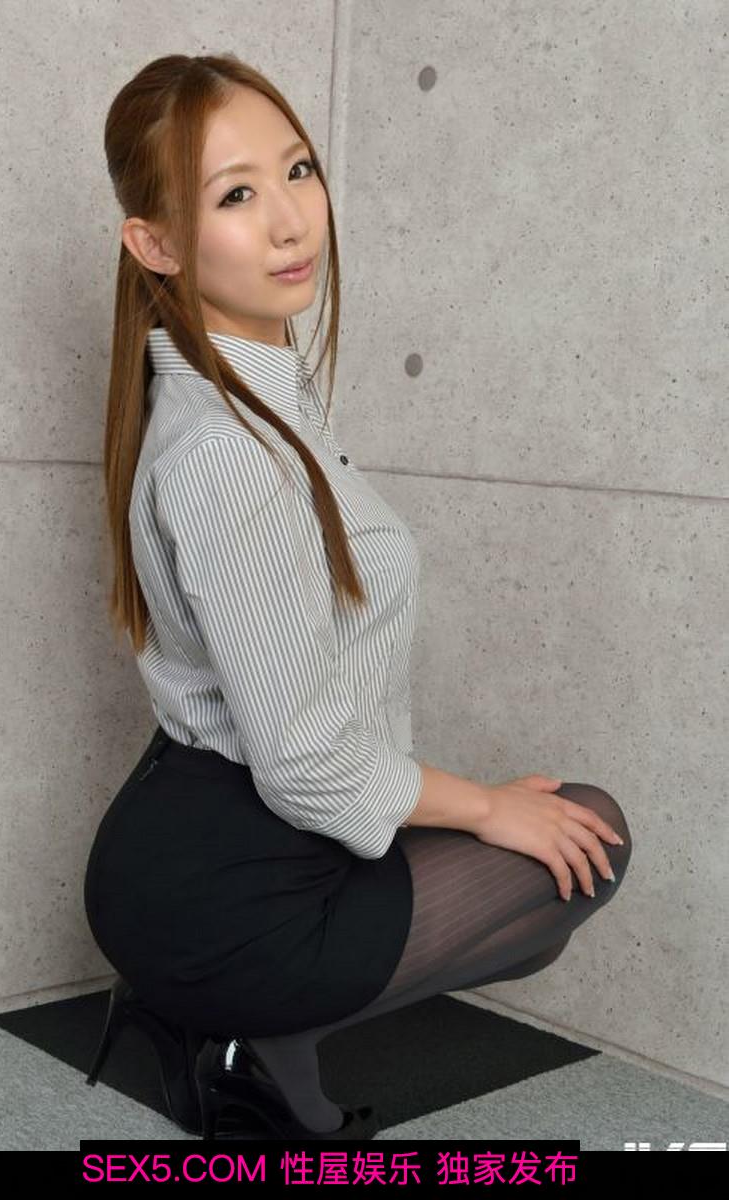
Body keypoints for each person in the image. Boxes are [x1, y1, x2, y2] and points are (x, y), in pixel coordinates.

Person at [83, 53, 633, 1140]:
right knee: (592, 834)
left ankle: (245, 1033)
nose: (291, 221)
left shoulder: (262, 403)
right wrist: (486, 809)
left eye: (299, 170)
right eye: (235, 195)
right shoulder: (227, 452)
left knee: (566, 834)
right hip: (225, 884)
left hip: (234, 846)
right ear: (155, 245)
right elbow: (302, 760)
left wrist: (483, 806)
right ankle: (227, 1023)